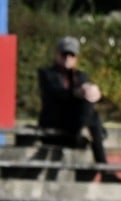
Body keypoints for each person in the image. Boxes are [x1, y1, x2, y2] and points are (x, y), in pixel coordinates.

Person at [37, 36, 108, 165]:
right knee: (93, 118)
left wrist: (93, 93)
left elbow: (88, 96)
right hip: (56, 122)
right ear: (57, 54)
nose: (67, 58)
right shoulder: (47, 73)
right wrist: (77, 93)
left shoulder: (81, 76)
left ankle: (102, 164)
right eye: (64, 54)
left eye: (71, 55)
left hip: (74, 124)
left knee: (92, 110)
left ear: (76, 58)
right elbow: (56, 94)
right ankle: (102, 163)